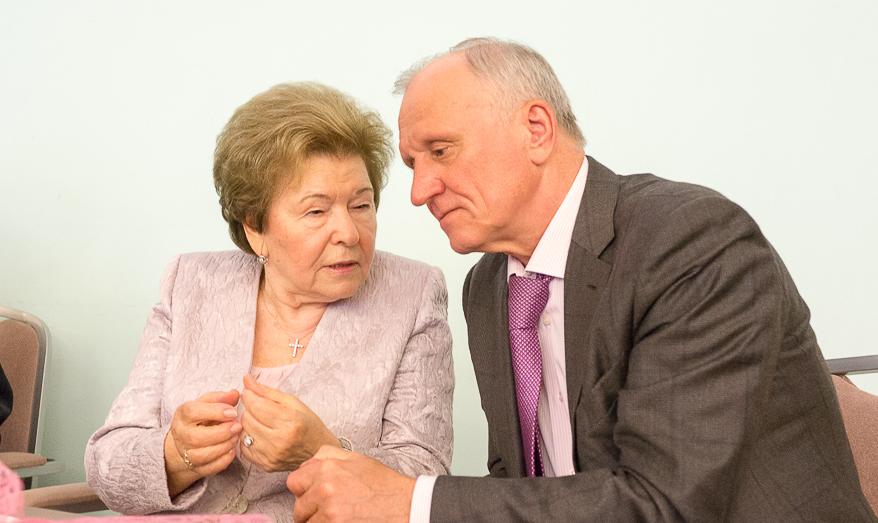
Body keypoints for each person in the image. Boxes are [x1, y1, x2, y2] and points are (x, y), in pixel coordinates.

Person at [286, 38, 877, 522]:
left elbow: (665, 505)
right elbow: (517, 481)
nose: (420, 192)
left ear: (536, 129)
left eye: (441, 151)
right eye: (414, 165)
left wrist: (410, 502)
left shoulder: (692, 242)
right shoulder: (488, 287)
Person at [84, 82, 453, 521]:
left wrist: (321, 450)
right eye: (316, 211)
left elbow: (425, 476)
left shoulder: (413, 294)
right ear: (255, 227)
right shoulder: (192, 283)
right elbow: (107, 462)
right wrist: (174, 454)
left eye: (361, 205)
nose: (349, 233)